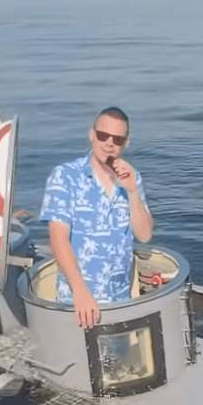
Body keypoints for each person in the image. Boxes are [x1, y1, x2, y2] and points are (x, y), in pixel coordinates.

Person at [39, 107, 154, 329]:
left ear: (125, 143)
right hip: (78, 304)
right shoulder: (65, 176)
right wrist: (80, 292)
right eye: (103, 136)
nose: (109, 143)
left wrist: (132, 191)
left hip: (119, 303)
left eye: (117, 139)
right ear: (92, 135)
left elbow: (144, 235)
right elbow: (58, 238)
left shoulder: (132, 178)